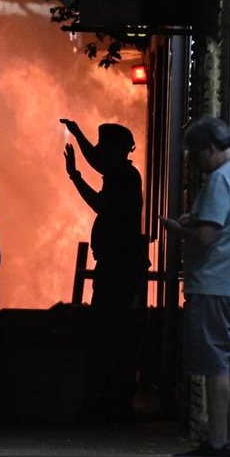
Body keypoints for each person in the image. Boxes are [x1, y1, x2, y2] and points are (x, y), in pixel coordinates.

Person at [160, 116, 230, 457]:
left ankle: (218, 440)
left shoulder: (222, 179)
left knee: (215, 366)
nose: (196, 162)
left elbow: (208, 235)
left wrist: (178, 229)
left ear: (209, 148)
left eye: (196, 154)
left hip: (217, 284)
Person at [61, 118, 148, 425]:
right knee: (111, 334)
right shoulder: (121, 173)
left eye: (102, 145)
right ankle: (111, 403)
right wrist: (77, 135)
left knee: (110, 335)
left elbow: (100, 204)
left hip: (117, 269)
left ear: (115, 149)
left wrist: (75, 176)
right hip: (116, 266)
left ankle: (109, 405)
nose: (98, 151)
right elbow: (98, 162)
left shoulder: (123, 177)